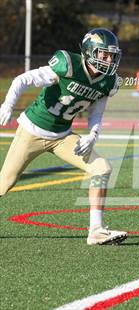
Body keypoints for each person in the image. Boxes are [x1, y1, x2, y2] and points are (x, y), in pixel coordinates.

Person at [0, 28, 127, 245]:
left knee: (102, 168)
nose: (108, 60)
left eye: (112, 55)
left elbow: (97, 113)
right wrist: (8, 105)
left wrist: (92, 136)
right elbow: (23, 79)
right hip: (32, 131)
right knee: (4, 183)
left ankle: (96, 230)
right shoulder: (67, 65)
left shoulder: (108, 81)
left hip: (63, 137)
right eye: (103, 54)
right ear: (89, 52)